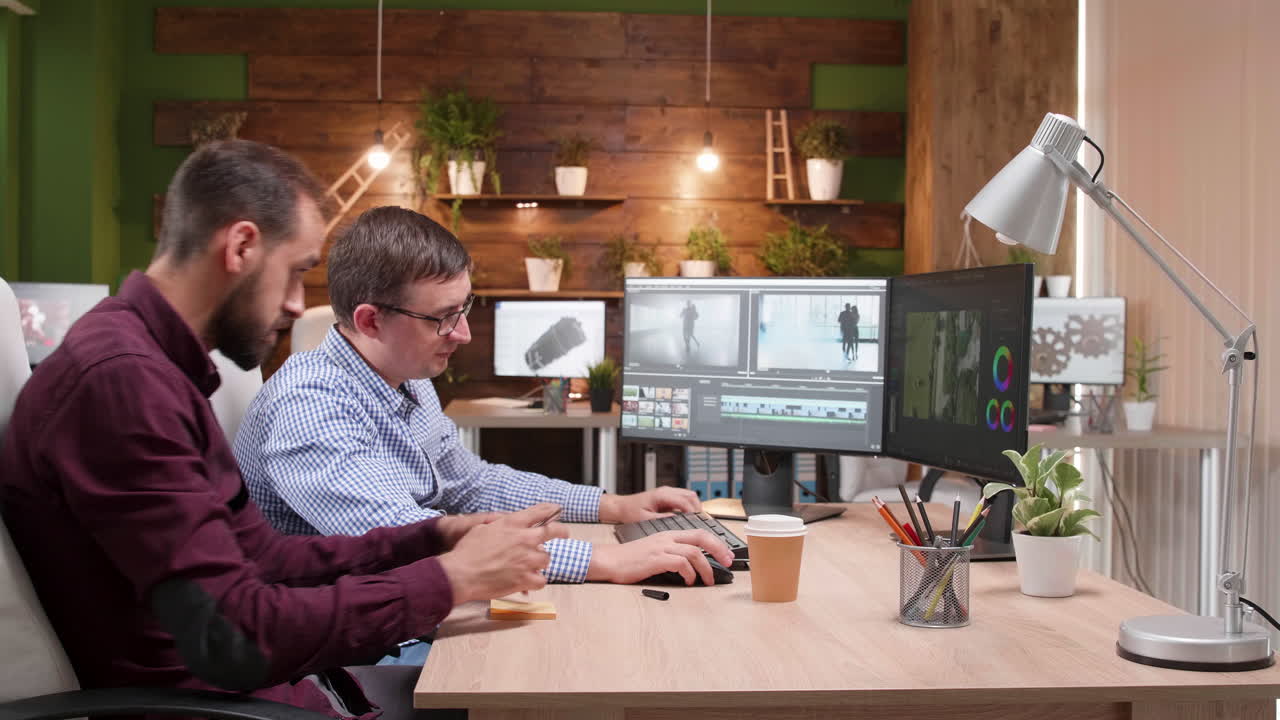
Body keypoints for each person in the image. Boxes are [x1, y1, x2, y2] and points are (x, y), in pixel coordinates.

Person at [0, 140, 567, 720]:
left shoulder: (150, 366)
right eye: (296, 272)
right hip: (217, 709)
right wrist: (450, 579)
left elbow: (265, 557)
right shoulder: (122, 384)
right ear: (241, 246)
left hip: (281, 691)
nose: (299, 305)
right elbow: (236, 632)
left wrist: (434, 537)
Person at [233, 207, 732, 603]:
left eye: (464, 307)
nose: (464, 334)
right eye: (444, 318)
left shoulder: (405, 378)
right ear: (369, 321)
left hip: (408, 608)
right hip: (351, 645)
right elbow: (407, 543)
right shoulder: (309, 406)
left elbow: (472, 484)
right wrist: (604, 561)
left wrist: (614, 506)